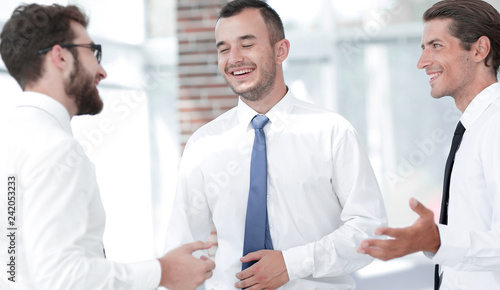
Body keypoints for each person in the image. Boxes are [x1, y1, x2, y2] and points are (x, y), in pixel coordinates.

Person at [164, 0, 387, 289]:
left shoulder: (332, 132)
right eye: (223, 48)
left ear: (280, 50)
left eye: (246, 44)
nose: (233, 58)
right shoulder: (203, 145)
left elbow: (370, 231)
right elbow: (181, 248)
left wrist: (291, 263)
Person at [0, 4, 214, 290]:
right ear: (60, 56)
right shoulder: (58, 150)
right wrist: (162, 271)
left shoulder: (9, 138)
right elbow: (61, 279)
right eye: (93, 51)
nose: (102, 71)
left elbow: (14, 265)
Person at [357, 0, 500, 289]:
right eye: (423, 48)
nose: (422, 62)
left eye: (436, 46)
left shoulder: (495, 126)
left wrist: (436, 239)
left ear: (478, 50)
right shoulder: (474, 128)